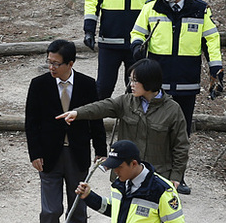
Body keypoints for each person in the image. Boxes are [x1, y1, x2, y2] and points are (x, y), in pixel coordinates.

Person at [130, 0, 223, 193]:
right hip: (156, 84)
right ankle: (148, 174)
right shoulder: (151, 8)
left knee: (180, 133)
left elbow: (211, 40)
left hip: (186, 82)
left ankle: (177, 178)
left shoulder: (200, 10)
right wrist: (136, 46)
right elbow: (137, 32)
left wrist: (216, 70)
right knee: (152, 128)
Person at [24, 39, 106, 223]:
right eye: (49, 62)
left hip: (77, 156)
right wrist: (35, 153)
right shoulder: (38, 85)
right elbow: (31, 123)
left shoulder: (88, 85)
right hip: (49, 157)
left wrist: (100, 149)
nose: (51, 67)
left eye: (56, 63)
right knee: (50, 211)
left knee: (77, 209)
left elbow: (96, 118)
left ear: (70, 63)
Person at [57, 59, 189, 186]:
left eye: (135, 81)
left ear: (149, 81)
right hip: (125, 175)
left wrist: (176, 177)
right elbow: (102, 107)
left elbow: (180, 146)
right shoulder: (126, 102)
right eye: (131, 79)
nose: (131, 84)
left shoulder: (172, 110)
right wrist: (77, 113)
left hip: (156, 177)